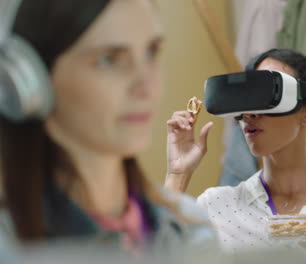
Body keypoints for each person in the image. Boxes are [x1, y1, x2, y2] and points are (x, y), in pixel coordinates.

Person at [0, 0, 216, 255]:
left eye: (151, 52)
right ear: (30, 80)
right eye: (108, 60)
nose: (146, 86)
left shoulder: (194, 230)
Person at [165, 49, 306, 251]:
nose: (249, 114)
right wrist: (178, 174)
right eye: (246, 98)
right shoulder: (216, 207)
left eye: (265, 95)